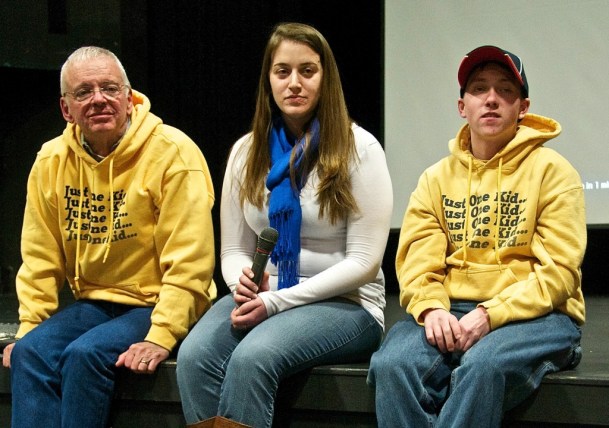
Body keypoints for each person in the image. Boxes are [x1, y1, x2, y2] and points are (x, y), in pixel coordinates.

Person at [176, 22, 393, 428]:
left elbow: (364, 263)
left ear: (325, 79)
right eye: (282, 71)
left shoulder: (359, 148)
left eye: (307, 70)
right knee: (194, 357)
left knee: (254, 357)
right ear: (269, 81)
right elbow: (233, 250)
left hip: (348, 305)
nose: (294, 82)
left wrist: (276, 302)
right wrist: (241, 281)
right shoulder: (246, 151)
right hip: (266, 295)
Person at [368, 45, 587, 427]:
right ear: (461, 106)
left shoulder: (554, 172)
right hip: (453, 308)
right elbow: (419, 264)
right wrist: (432, 307)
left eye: (505, 90)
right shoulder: (435, 178)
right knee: (392, 363)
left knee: (484, 365)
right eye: (479, 89)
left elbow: (560, 273)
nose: (491, 99)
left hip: (540, 316)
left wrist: (491, 314)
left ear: (523, 107)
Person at [2, 46, 217, 428]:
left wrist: (163, 333)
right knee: (29, 353)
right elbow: (39, 256)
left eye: (110, 89)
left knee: (85, 355)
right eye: (83, 92)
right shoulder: (51, 160)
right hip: (96, 303)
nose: (99, 99)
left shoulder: (173, 153)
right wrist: (31, 327)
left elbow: (190, 261)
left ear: (130, 99)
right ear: (66, 109)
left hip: (156, 301)